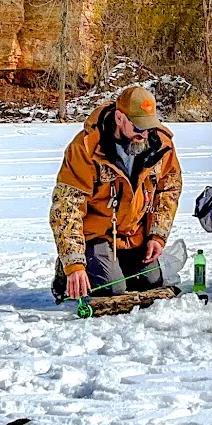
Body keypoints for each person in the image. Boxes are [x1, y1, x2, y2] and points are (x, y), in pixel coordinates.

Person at [51, 85, 183, 301]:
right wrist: (74, 263)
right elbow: (66, 208)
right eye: (138, 127)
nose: (144, 134)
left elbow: (169, 189)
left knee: (150, 283)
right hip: (96, 235)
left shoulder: (161, 145)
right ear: (120, 118)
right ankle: (68, 270)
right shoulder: (85, 148)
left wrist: (157, 236)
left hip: (133, 234)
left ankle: (117, 265)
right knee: (112, 290)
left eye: (149, 127)